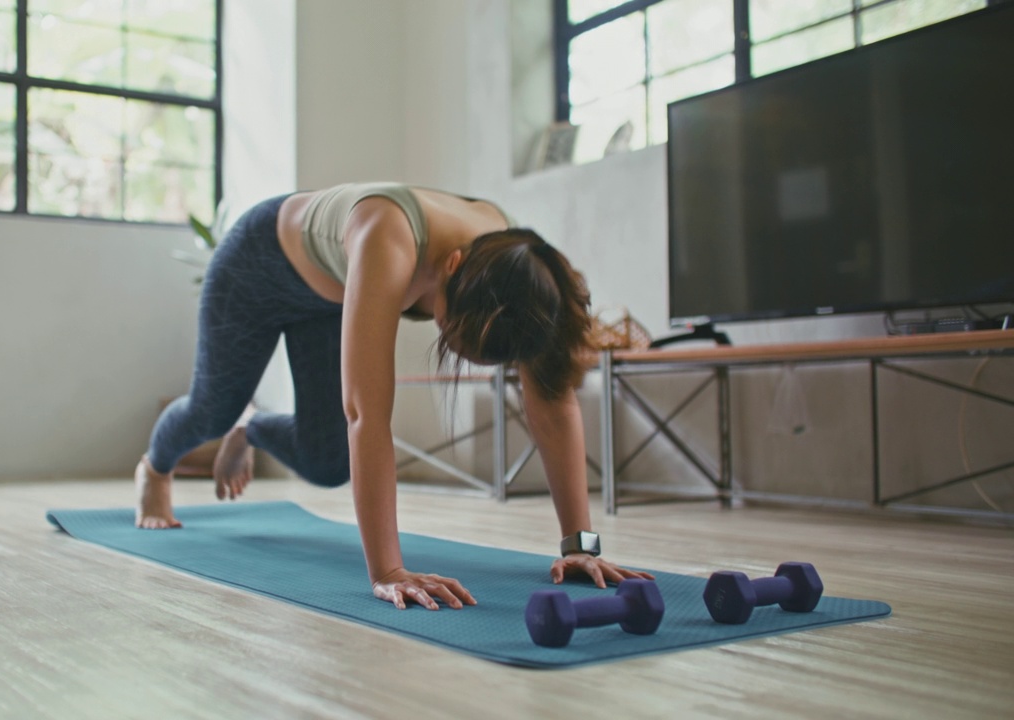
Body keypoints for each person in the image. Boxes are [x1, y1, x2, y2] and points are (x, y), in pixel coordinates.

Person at [134, 182, 654, 610]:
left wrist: (580, 546)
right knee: (211, 409)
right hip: (257, 267)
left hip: (329, 294)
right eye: (453, 334)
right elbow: (366, 415)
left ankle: (252, 428)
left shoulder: (522, 272)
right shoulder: (389, 238)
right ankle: (155, 470)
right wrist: (388, 570)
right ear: (450, 266)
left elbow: (553, 404)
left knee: (327, 462)